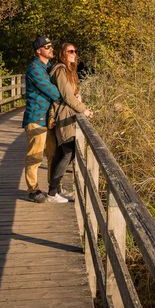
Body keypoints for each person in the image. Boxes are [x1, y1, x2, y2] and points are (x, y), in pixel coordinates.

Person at [46, 42, 93, 203]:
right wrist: (83, 109)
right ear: (62, 54)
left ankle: (55, 190)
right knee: (68, 152)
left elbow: (73, 93)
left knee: (62, 153)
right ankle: (52, 192)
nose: (73, 53)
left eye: (75, 50)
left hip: (69, 113)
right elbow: (66, 96)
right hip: (64, 115)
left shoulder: (69, 71)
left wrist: (78, 99)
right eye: (69, 51)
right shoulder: (60, 70)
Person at [22, 36, 62, 203]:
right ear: (39, 50)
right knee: (35, 155)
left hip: (48, 118)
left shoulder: (48, 67)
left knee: (53, 153)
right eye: (47, 46)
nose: (51, 48)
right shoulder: (34, 68)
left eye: (51, 46)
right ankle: (33, 189)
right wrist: (67, 96)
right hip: (36, 117)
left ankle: (54, 188)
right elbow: (52, 91)